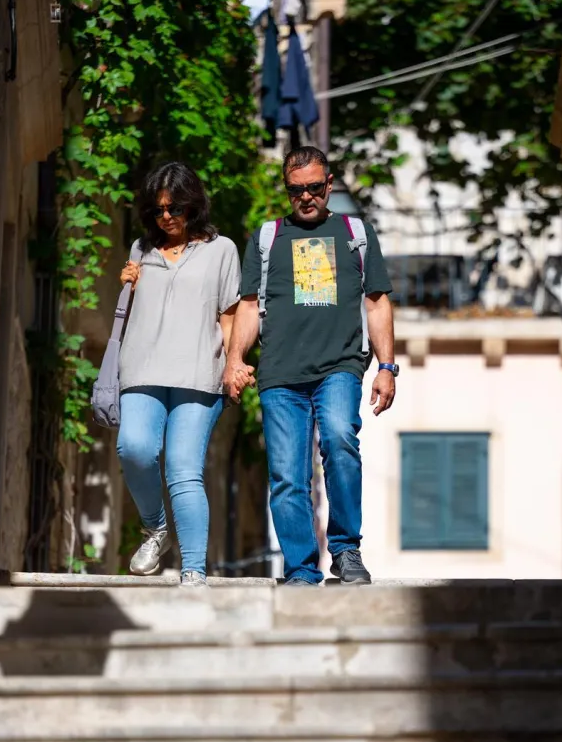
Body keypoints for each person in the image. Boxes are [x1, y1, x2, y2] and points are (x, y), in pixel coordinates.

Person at [222, 146, 397, 586]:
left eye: (315, 188)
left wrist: (387, 367)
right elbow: (247, 306)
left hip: (339, 365)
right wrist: (235, 359)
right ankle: (301, 569)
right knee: (287, 476)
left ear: (329, 185)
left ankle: (345, 550)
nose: (306, 197)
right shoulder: (266, 239)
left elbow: (376, 303)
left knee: (340, 439)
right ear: (288, 191)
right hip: (280, 374)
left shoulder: (356, 233)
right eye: (296, 190)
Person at [116, 161, 241, 586]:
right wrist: (127, 286)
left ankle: (193, 572)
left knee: (184, 469)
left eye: (175, 208)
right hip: (141, 367)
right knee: (133, 448)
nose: (166, 217)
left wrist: (235, 363)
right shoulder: (140, 250)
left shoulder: (221, 249)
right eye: (157, 210)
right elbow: (132, 314)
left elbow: (228, 313)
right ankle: (156, 528)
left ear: (194, 205)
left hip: (198, 371)